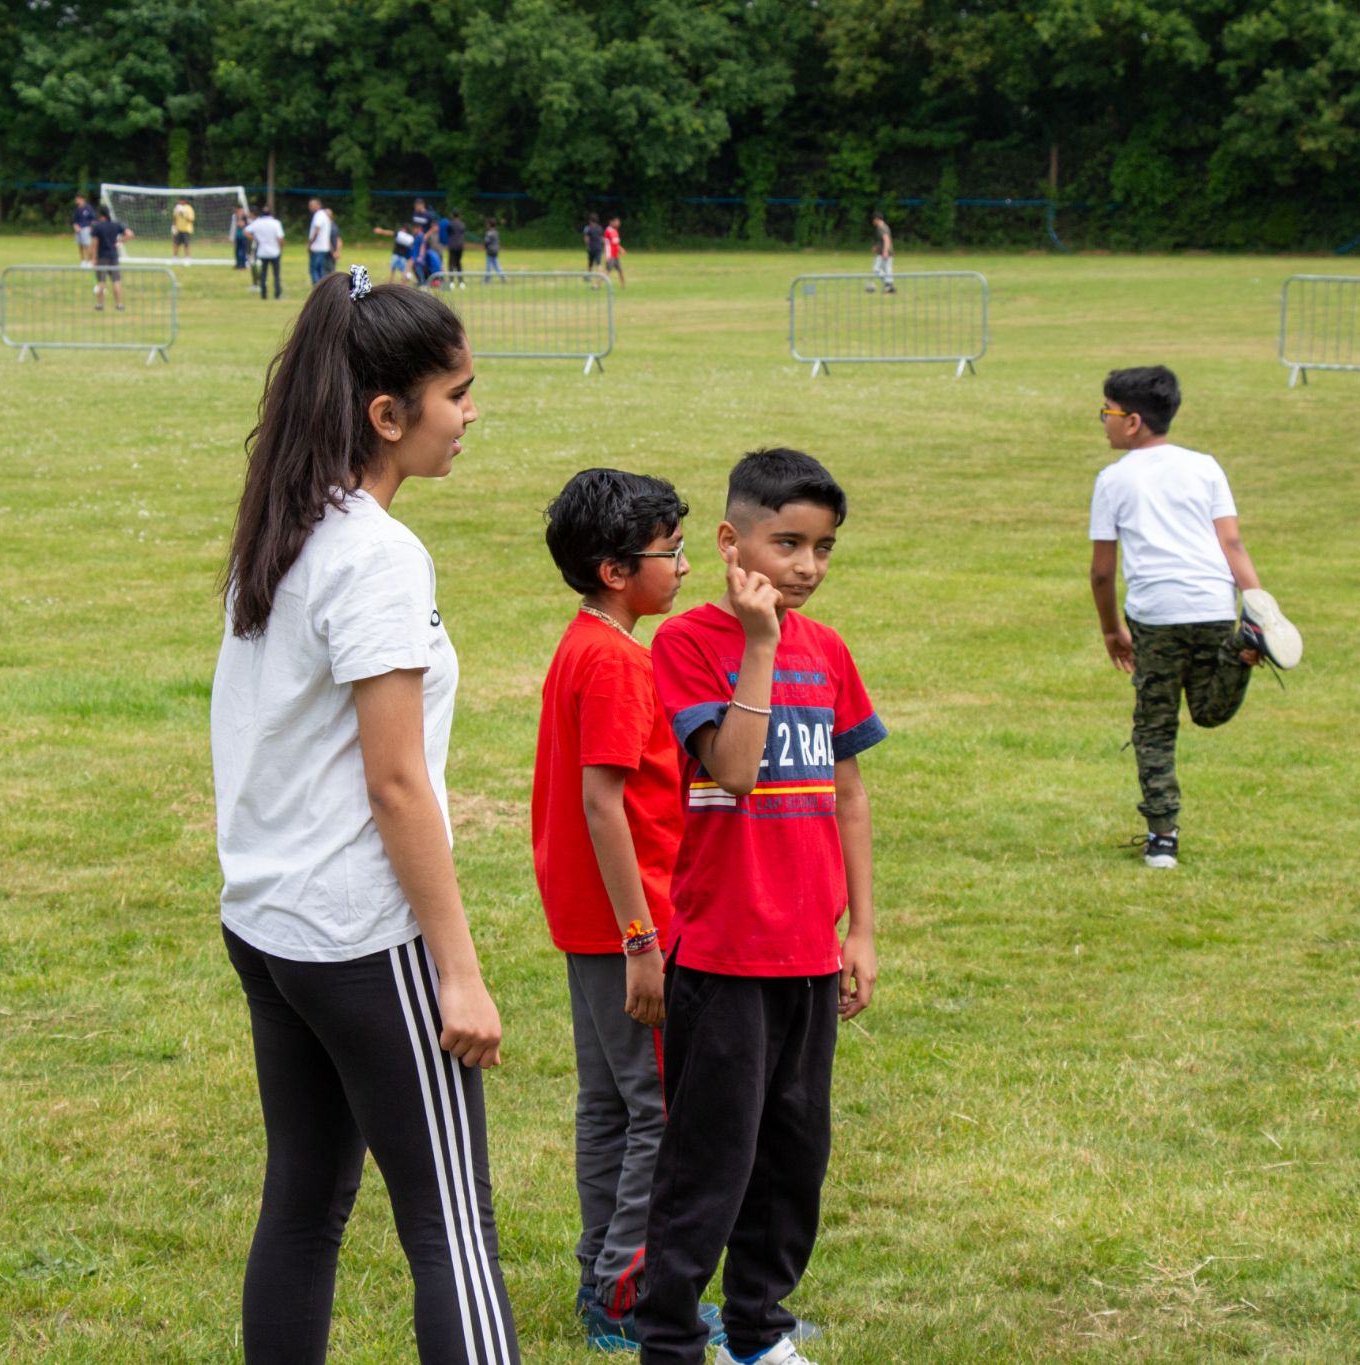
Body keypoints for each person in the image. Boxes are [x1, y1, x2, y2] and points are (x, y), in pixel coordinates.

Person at [212, 264, 518, 1365]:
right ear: (388, 416)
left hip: (268, 923)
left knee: (302, 1203)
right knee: (452, 1232)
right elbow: (396, 784)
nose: (472, 414)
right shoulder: (377, 555)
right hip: (353, 934)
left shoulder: (287, 521)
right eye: (458, 393)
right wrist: (460, 968)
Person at [639, 448, 886, 1365]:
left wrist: (859, 929)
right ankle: (669, 1339)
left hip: (807, 957)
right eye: (788, 543)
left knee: (792, 1158)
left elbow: (849, 793)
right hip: (722, 957)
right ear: (732, 540)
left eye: (823, 548)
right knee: (710, 1161)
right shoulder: (689, 643)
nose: (807, 567)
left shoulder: (829, 652)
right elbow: (734, 771)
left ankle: (758, 1332)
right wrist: (760, 643)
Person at [532, 470, 716, 1353]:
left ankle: (603, 1280)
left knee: (610, 1105)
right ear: (614, 570)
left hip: (592, 918)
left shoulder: (587, 643)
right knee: (661, 1111)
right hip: (629, 923)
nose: (683, 564)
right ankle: (630, 1295)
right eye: (669, 551)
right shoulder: (613, 663)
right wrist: (643, 937)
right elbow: (604, 803)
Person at [1087, 365, 1303, 871]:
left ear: (1133, 421)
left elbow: (1102, 572)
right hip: (1213, 605)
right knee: (1208, 711)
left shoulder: (1113, 479)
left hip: (1155, 616)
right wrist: (1257, 605)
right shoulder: (1206, 466)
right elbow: (1232, 542)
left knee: (1155, 727)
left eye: (1107, 412)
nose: (1103, 422)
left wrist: (1110, 629)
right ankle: (1241, 647)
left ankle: (1162, 836)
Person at [88, 204, 134, 310]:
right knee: (116, 281)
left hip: (102, 257)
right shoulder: (116, 224)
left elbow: (94, 244)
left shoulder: (97, 227)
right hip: (113, 257)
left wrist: (92, 258)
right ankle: (119, 304)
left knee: (101, 282)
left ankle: (100, 304)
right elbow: (130, 234)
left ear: (100, 215)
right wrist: (120, 241)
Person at [249, 203, 285, 299]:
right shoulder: (276, 223)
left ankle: (263, 294)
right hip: (275, 252)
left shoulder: (257, 222)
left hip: (262, 252)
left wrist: (255, 239)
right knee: (276, 275)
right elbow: (280, 238)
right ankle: (277, 294)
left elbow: (246, 231)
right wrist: (281, 248)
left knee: (263, 275)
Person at [307, 197, 335, 284]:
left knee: (314, 269)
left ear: (318, 205)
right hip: (323, 247)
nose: (309, 207)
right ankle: (322, 288)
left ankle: (316, 288)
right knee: (321, 270)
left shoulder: (318, 215)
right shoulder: (324, 215)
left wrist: (311, 243)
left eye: (311, 205)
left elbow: (317, 230)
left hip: (317, 247)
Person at [869, 213, 895, 294]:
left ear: (877, 219)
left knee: (876, 269)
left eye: (873, 220)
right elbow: (885, 240)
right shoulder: (885, 226)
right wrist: (877, 247)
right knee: (887, 270)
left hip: (884, 252)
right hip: (888, 251)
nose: (873, 222)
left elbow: (886, 239)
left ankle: (889, 284)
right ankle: (889, 286)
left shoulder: (881, 227)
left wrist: (885, 251)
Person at [74, 195, 98, 265]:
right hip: (78, 229)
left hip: (86, 228)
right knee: (80, 245)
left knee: (87, 245)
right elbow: (75, 220)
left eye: (77, 199)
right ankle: (82, 261)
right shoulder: (77, 209)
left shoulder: (88, 208)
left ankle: (90, 261)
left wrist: (91, 227)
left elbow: (93, 219)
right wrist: (75, 226)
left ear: (81, 199)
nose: (76, 201)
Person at [603, 217, 626, 289]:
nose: (618, 223)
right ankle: (597, 285)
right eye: (617, 222)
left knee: (620, 270)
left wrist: (621, 249)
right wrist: (607, 255)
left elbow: (616, 243)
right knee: (607, 271)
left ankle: (623, 286)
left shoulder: (615, 231)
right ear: (612, 222)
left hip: (616, 256)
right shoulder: (608, 231)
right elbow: (606, 244)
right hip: (610, 256)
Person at [444, 210, 467, 279]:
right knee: (458, 263)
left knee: (451, 264)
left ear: (453, 215)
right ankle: (461, 281)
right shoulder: (462, 224)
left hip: (452, 246)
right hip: (460, 246)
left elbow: (448, 233)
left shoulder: (450, 224)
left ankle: (451, 281)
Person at [172, 196, 195, 261]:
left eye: (182, 200)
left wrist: (184, 214)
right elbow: (175, 218)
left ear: (185, 201)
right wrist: (173, 226)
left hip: (186, 230)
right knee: (175, 244)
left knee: (186, 244)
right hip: (178, 229)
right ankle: (175, 257)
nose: (180, 202)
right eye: (180, 200)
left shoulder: (189, 208)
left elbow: (191, 220)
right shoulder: (177, 208)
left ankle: (187, 258)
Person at [231, 204, 252, 272]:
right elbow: (236, 225)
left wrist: (240, 221)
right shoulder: (235, 216)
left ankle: (243, 265)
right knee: (237, 251)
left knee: (242, 251)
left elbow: (242, 225)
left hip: (243, 236)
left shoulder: (245, 217)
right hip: (237, 236)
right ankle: (238, 264)